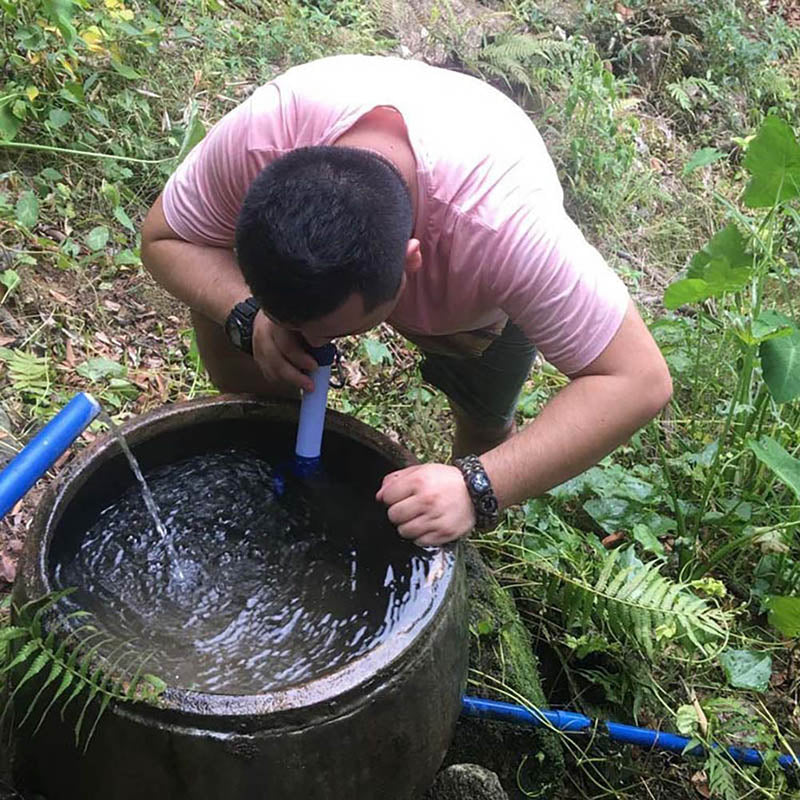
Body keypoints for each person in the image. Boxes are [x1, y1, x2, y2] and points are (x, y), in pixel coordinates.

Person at [141, 55, 672, 548]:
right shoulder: (261, 139)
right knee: (257, 360)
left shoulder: (506, 232)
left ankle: (470, 538)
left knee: (485, 420)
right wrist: (250, 313)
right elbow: (165, 238)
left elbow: (638, 380)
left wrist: (479, 486)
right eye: (295, 321)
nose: (317, 345)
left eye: (335, 329)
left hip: (473, 293)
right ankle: (271, 462)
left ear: (409, 264)